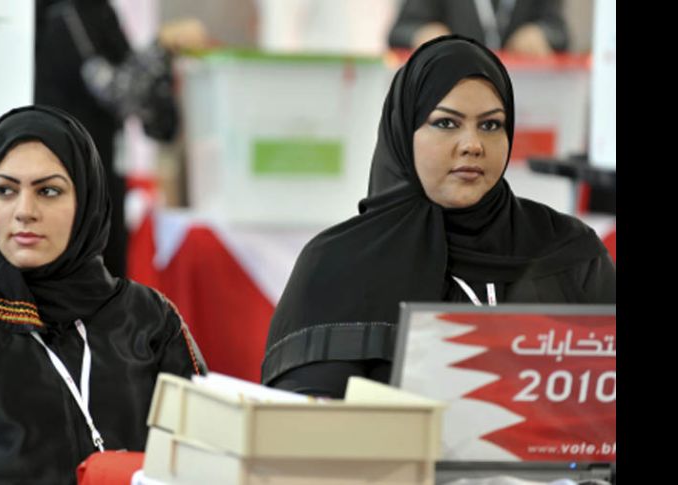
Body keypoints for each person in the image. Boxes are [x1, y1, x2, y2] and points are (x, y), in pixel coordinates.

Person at [261, 35, 614, 399]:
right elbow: (305, 433)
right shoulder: (337, 264)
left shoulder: (568, 253)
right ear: (403, 133)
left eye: (491, 125)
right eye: (447, 123)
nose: (472, 144)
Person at [0, 105, 206, 484]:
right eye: (5, 190)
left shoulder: (149, 319)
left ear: (87, 202)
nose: (24, 211)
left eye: (48, 191)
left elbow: (207, 456)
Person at [35, 0, 209, 278]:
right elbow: (117, 90)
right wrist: (161, 46)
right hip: (67, 183)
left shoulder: (98, 11)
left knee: (106, 283)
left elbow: (152, 113)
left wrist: (163, 58)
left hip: (103, 179)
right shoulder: (64, 12)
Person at [388, 0, 569, 56]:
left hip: (521, 98)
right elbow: (399, 32)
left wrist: (542, 33)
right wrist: (422, 33)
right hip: (452, 89)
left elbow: (560, 33)